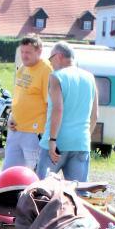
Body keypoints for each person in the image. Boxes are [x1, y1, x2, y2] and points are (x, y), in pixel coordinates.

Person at [36, 42, 98, 182]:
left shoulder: (56, 76)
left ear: (58, 56)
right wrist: (85, 138)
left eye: (50, 59)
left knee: (42, 192)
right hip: (81, 143)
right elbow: (95, 115)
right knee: (79, 194)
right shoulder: (90, 78)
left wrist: (52, 140)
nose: (50, 64)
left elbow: (58, 109)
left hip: (58, 143)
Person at [3, 34, 51, 171]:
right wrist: (12, 116)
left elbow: (50, 104)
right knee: (9, 170)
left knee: (32, 172)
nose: (24, 56)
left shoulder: (46, 70)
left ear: (39, 51)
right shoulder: (23, 68)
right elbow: (18, 96)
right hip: (16, 128)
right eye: (22, 52)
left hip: (34, 132)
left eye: (28, 52)